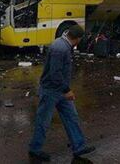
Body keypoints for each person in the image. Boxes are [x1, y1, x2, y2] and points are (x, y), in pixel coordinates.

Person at [29, 25, 96, 162]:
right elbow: (55, 74)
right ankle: (35, 149)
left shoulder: (63, 44)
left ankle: (79, 147)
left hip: (59, 89)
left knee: (71, 117)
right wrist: (67, 90)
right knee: (43, 121)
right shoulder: (60, 48)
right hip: (51, 90)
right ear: (77, 39)